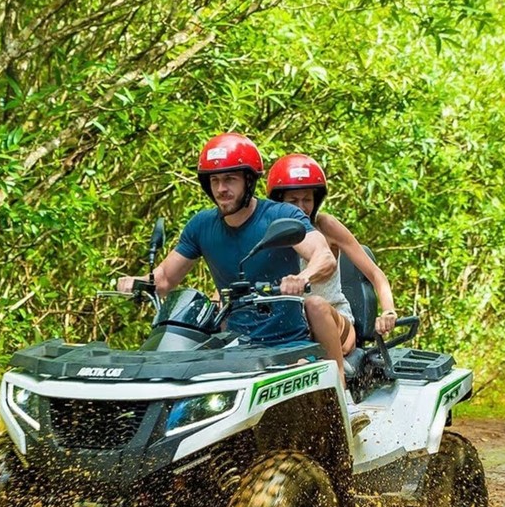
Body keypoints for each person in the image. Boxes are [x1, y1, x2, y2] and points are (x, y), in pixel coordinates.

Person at [117, 133, 346, 374]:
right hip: (233, 348)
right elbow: (164, 279)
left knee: (303, 379)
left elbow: (324, 256)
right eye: (214, 180)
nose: (221, 189)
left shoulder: (281, 215)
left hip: (287, 346)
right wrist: (137, 282)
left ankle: (341, 392)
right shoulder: (201, 226)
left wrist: (302, 278)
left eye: (230, 179)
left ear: (248, 181)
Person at [266, 154, 398, 365]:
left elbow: (375, 274)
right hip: (289, 328)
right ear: (279, 202)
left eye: (307, 200)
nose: (301, 207)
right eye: (293, 201)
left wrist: (388, 311)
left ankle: (338, 381)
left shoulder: (326, 226)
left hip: (335, 322)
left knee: (315, 306)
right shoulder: (268, 233)